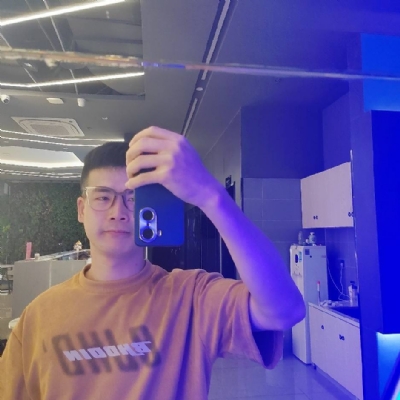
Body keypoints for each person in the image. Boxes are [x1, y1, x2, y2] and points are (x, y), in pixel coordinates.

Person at [0, 126, 305, 399]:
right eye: (103, 197)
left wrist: (210, 195)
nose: (118, 212)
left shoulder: (191, 297)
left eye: (133, 198)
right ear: (81, 209)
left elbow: (284, 310)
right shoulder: (37, 318)